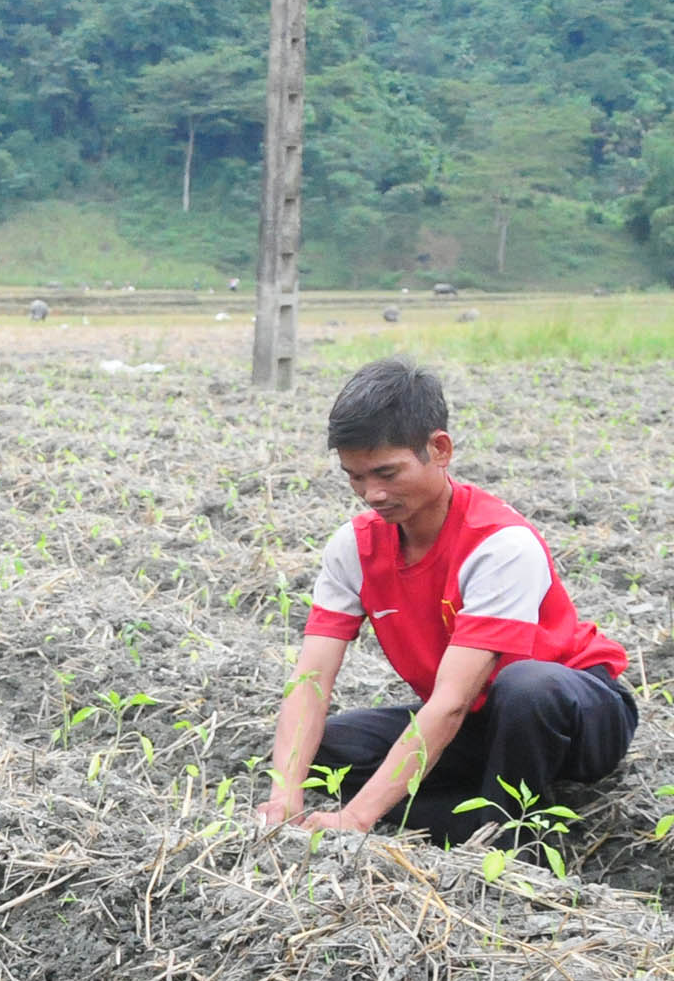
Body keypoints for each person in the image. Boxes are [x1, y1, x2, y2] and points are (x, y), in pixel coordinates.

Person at [257, 359, 635, 843]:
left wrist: (356, 820)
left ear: (440, 450)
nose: (372, 494)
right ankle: (486, 812)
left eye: (386, 472)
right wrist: (285, 794)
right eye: (355, 477)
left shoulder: (498, 544)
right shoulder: (354, 547)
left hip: (571, 715)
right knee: (327, 750)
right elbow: (311, 680)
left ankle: (508, 837)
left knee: (525, 687)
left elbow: (451, 703)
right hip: (481, 722)